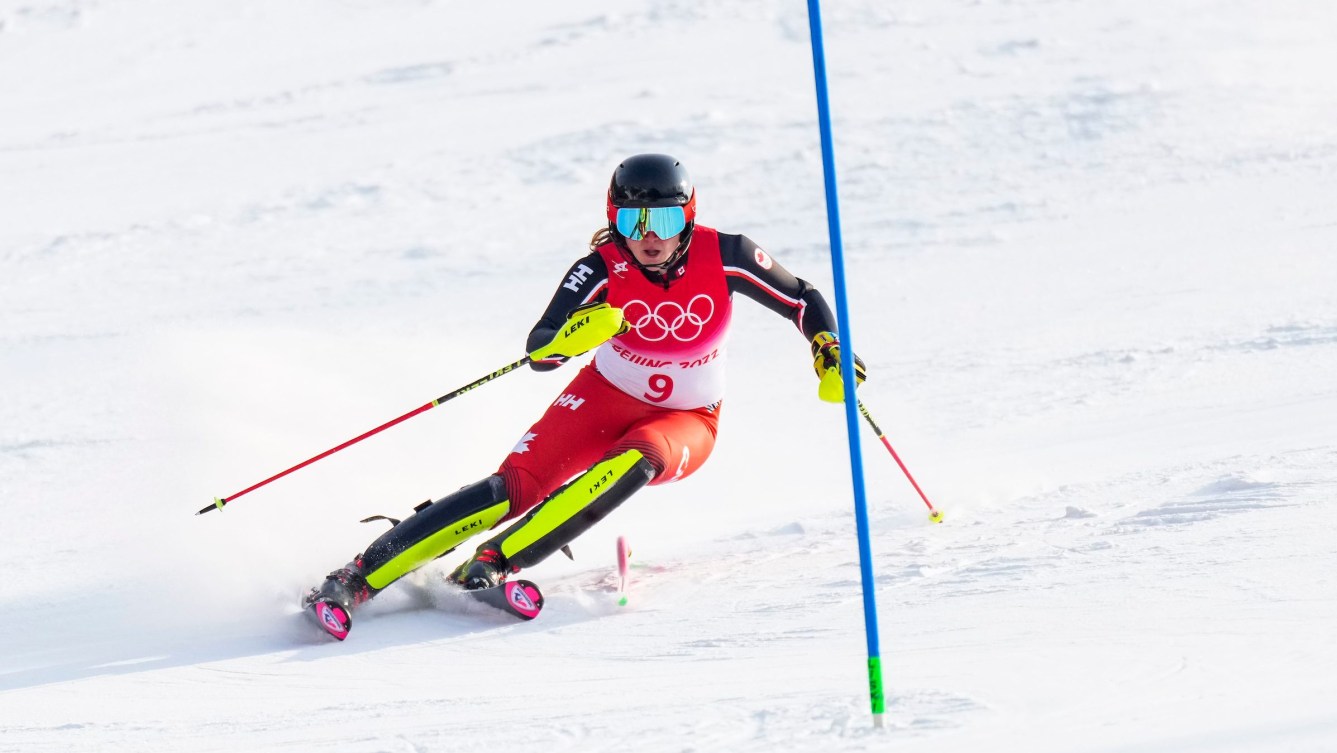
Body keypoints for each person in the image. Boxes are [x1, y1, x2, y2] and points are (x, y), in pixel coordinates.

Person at [303, 153, 865, 639]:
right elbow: (540, 348)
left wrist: (828, 346)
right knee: (511, 489)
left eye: (664, 219)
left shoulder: (729, 253)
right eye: (632, 219)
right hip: (602, 397)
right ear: (613, 218)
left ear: (687, 217)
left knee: (638, 458)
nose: (649, 236)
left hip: (687, 417)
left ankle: (492, 564)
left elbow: (802, 298)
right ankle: (354, 579)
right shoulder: (599, 267)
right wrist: (572, 340)